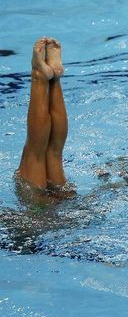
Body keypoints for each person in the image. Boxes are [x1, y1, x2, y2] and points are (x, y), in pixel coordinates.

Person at [16, 37, 73, 205]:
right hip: (42, 210)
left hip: (55, 206)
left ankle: (52, 77)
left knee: (53, 153)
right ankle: (41, 76)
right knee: (38, 154)